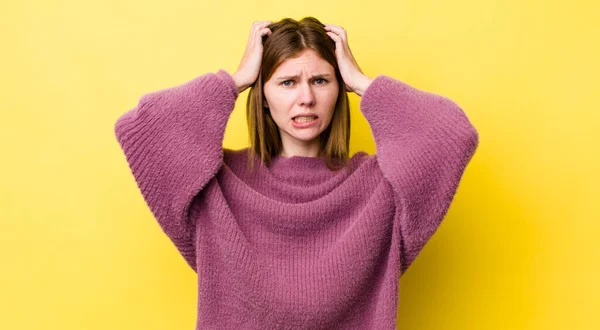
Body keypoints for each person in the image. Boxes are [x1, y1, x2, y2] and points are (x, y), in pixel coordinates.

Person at [114, 16, 479, 329]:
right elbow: (141, 127)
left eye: (321, 81)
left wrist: (363, 82)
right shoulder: (216, 185)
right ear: (264, 95)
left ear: (339, 90)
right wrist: (237, 79)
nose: (305, 98)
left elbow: (452, 133)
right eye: (287, 82)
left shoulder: (381, 187)